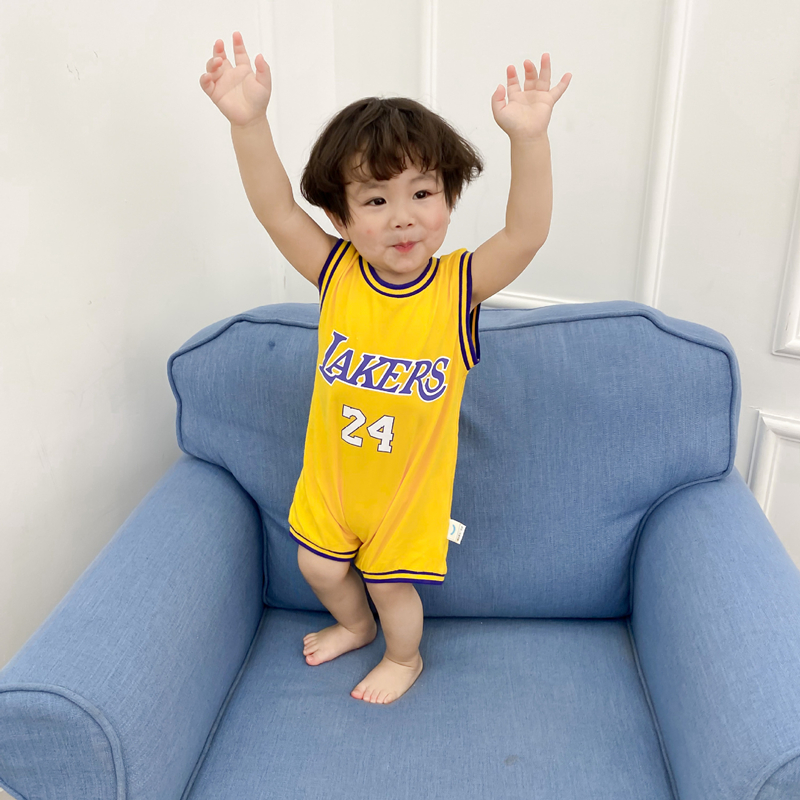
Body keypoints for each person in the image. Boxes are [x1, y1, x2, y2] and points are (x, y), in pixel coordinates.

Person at [199, 31, 571, 705]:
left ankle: (404, 657)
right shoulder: (336, 272)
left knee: (390, 584)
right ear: (340, 218)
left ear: (448, 199)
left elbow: (526, 234)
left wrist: (530, 139)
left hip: (406, 494)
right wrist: (249, 124)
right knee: (317, 565)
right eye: (375, 201)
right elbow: (276, 210)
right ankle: (354, 626)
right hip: (333, 482)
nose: (403, 218)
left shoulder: (457, 287)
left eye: (422, 193)